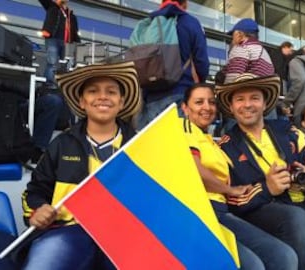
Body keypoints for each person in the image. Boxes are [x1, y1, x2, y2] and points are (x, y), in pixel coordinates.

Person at [215, 73, 305, 270]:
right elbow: (230, 200)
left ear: (265, 104)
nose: (247, 104)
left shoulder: (288, 130)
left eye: (254, 98)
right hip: (258, 212)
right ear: (231, 107)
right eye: (240, 99)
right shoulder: (224, 147)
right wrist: (267, 188)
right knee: (296, 218)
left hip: (303, 204)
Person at [20, 61, 141, 269]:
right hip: (67, 230)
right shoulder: (60, 144)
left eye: (111, 92)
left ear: (121, 102)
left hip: (125, 236)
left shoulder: (142, 146)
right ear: (82, 102)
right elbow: (35, 191)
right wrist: (37, 211)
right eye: (93, 91)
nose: (102, 97)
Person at [181, 83, 297, 270]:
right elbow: (192, 168)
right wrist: (230, 189)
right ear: (185, 108)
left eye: (211, 102)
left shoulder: (211, 140)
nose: (207, 107)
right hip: (200, 212)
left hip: (222, 212)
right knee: (253, 265)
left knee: (283, 255)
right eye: (199, 102)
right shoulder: (183, 127)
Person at [135, 0, 209, 130]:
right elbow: (202, 63)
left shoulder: (148, 23)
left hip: (150, 98)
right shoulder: (190, 22)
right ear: (185, 5)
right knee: (180, 146)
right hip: (181, 94)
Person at [38, 0, 80, 89]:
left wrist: (78, 45)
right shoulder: (52, 6)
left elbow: (75, 32)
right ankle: (48, 85)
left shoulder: (71, 16)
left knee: (65, 66)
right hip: (53, 39)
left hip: (66, 43)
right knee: (52, 62)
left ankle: (63, 86)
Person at [222, 18, 274, 85]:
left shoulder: (241, 48)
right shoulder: (265, 53)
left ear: (239, 34)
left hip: (245, 92)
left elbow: (231, 81)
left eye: (233, 35)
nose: (232, 39)